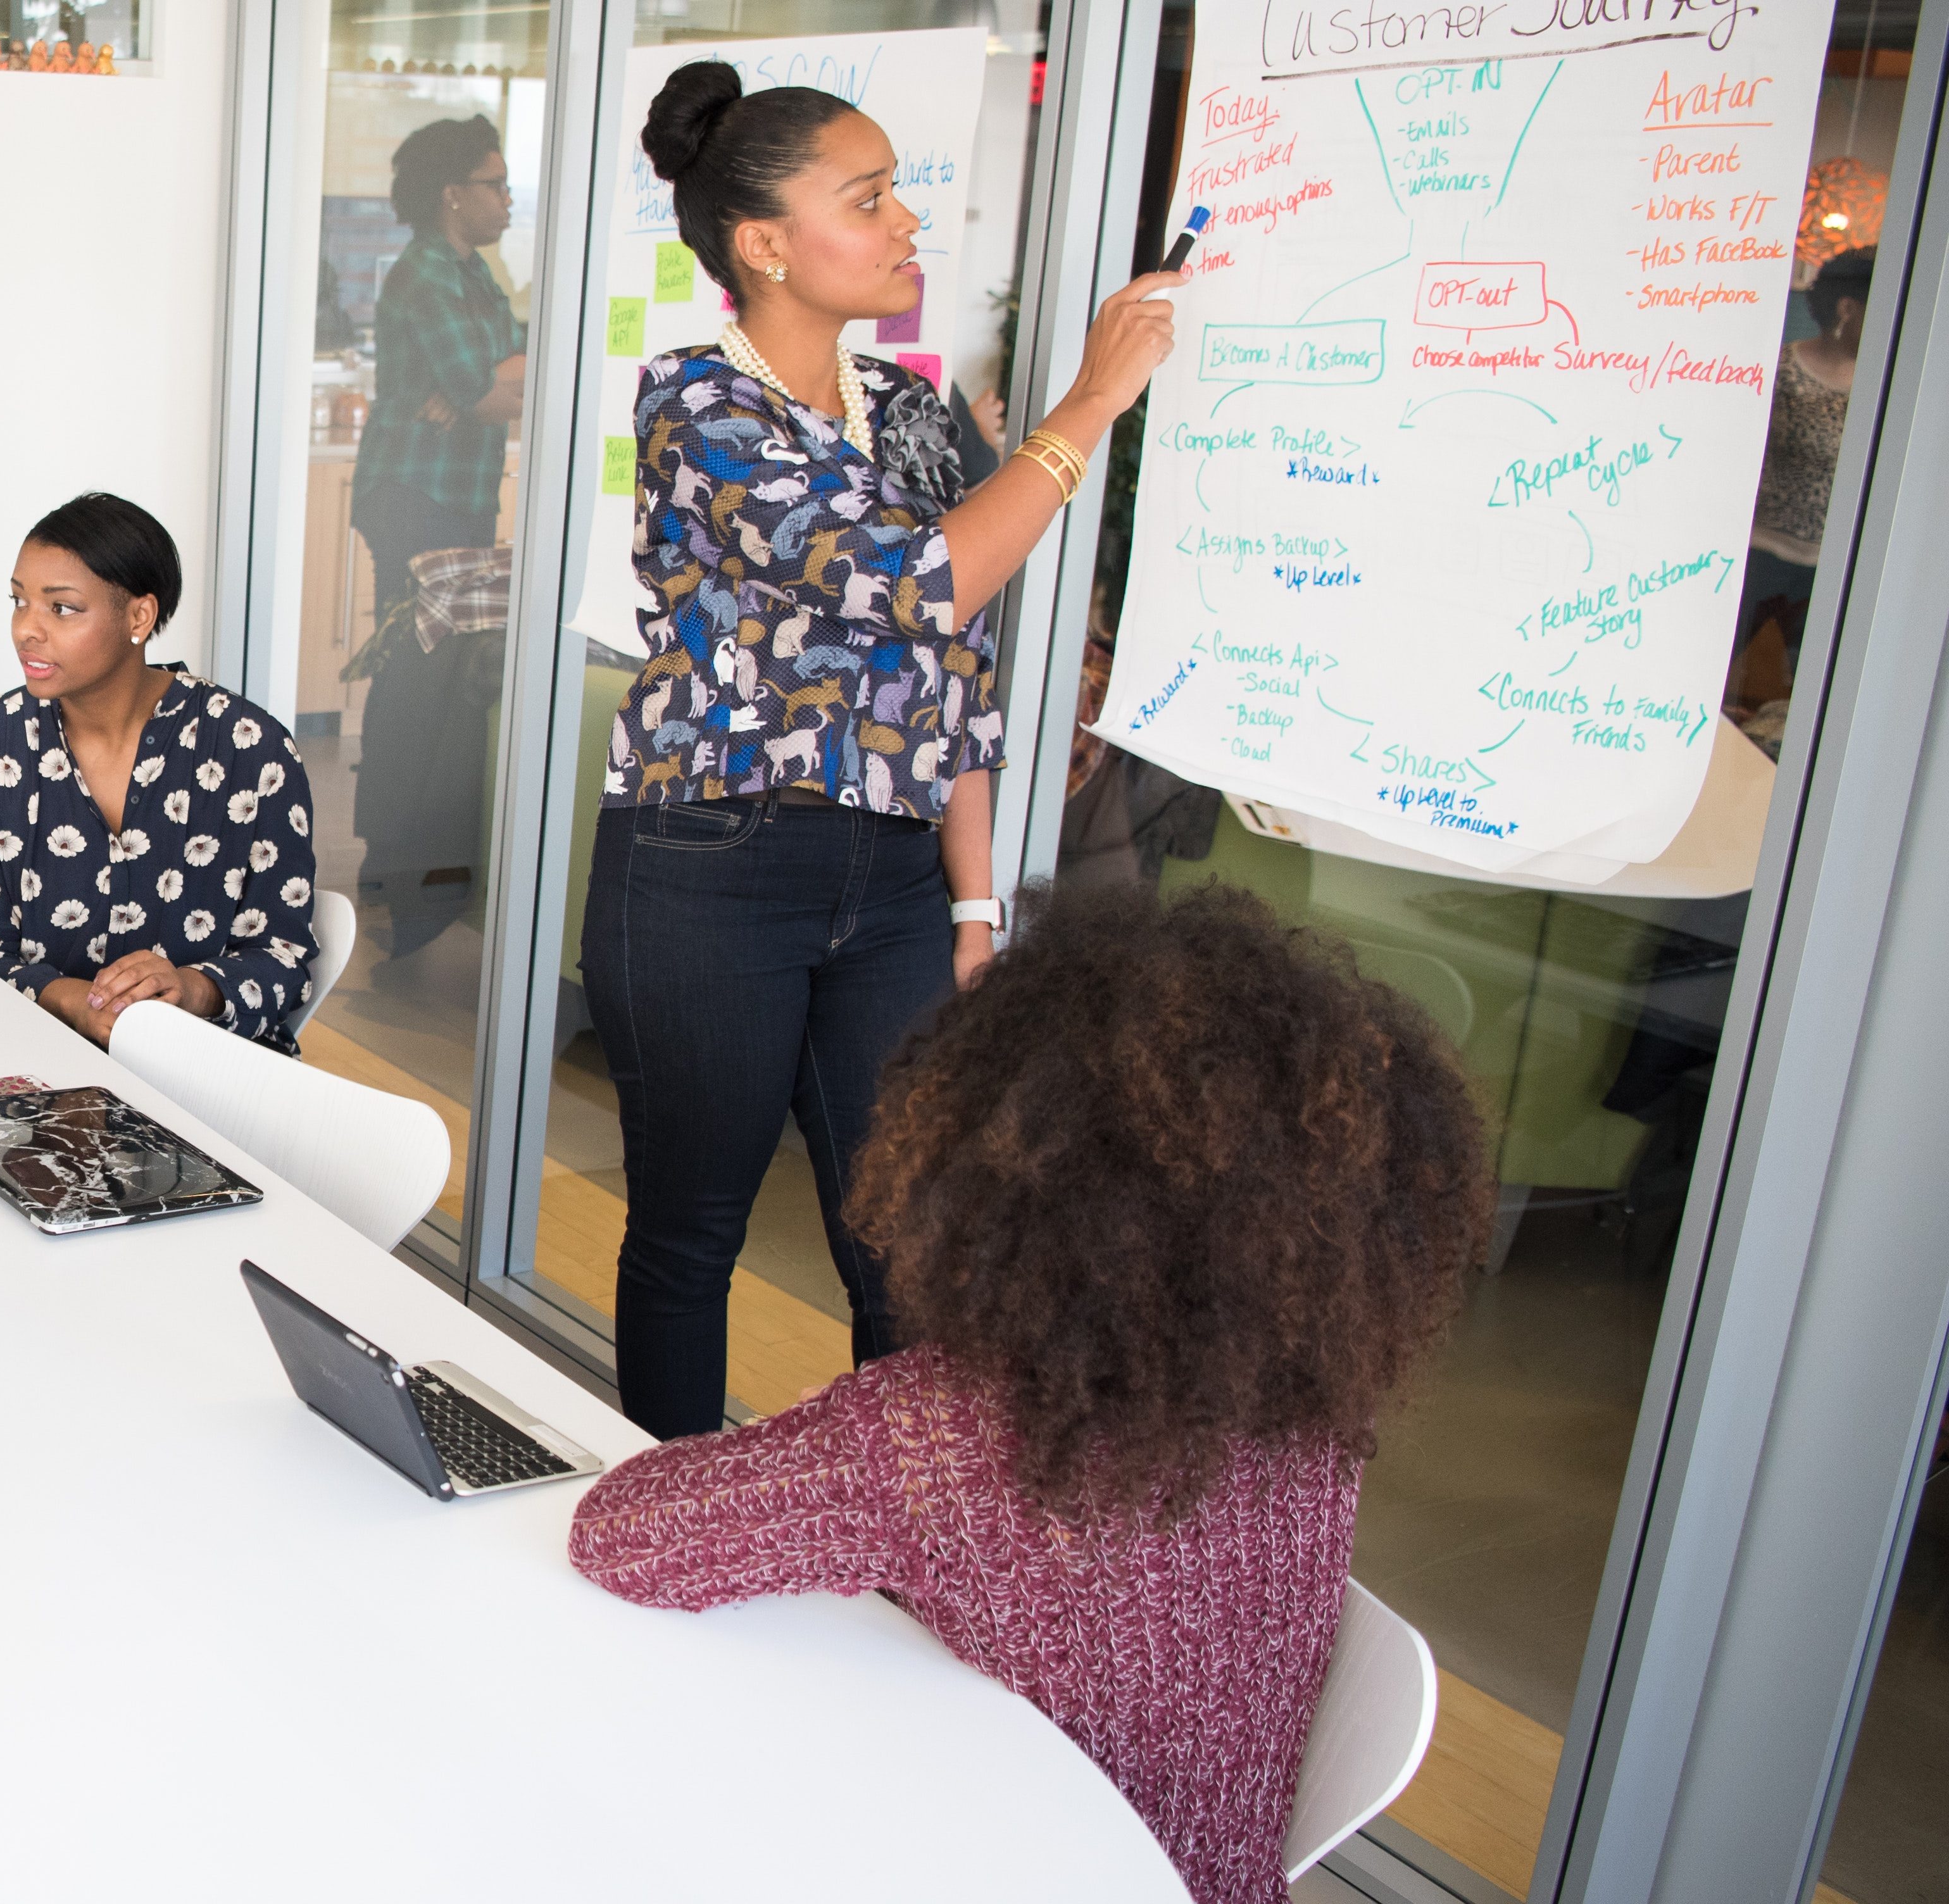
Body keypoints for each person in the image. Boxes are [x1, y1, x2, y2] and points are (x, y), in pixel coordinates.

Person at [568, 882, 1491, 1904]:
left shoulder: (934, 1434)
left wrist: (830, 1442)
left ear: (996, 1164)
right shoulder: (1311, 1422)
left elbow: (623, 1535)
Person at [584, 61, 1184, 1437]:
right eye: (867, 199)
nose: (905, 222)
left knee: (908, 1249)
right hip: (711, 868)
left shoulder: (907, 410)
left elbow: (949, 671)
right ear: (763, 244)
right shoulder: (700, 408)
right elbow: (919, 584)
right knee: (690, 1232)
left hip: (897, 880)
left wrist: (972, 906)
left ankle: (896, 1529)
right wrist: (1089, 401)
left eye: (897, 192)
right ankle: (669, 1513)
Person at [0, 493, 320, 1052]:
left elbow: (286, 959)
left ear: (139, 616)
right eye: (19, 602)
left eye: (62, 608)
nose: (26, 630)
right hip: (35, 1064)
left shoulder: (252, 749)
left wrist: (190, 989)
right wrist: (76, 1004)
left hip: (207, 1073)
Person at [349, 115, 525, 959]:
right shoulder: (426, 272)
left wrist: (490, 384)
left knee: (429, 673)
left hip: (456, 491)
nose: (507, 199)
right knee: (414, 671)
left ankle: (398, 860)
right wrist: (483, 388)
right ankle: (392, 857)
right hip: (414, 494)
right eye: (495, 184)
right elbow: (485, 388)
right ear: (453, 193)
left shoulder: (473, 272)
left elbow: (517, 368)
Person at [1741, 245, 1869, 706]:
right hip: (1762, 555)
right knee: (1726, 673)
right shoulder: (1779, 369)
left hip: (1834, 564)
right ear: (1847, 309)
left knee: (1812, 692)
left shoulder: (1881, 384)